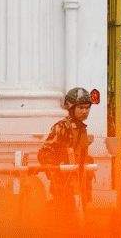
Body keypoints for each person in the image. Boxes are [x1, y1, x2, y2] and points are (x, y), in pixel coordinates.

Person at [39, 87, 95, 216]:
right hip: (64, 186)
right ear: (71, 108)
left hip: (80, 183)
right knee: (64, 220)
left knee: (80, 218)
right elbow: (44, 154)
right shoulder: (61, 127)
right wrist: (57, 174)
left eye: (87, 108)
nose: (85, 111)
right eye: (81, 108)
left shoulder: (82, 129)